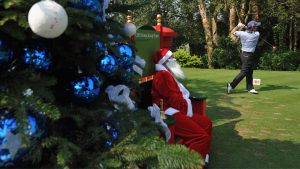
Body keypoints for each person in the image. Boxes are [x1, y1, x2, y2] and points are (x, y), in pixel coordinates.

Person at [150, 48, 212, 162]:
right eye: (171, 57)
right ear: (164, 61)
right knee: (201, 137)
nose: (174, 59)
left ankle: (202, 154)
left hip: (175, 108)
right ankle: (192, 162)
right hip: (167, 111)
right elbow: (173, 100)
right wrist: (186, 108)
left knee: (206, 123)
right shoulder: (163, 75)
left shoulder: (167, 73)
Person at [227, 20, 261, 94]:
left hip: (245, 54)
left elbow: (232, 32)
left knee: (249, 71)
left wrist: (238, 26)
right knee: (244, 72)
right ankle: (231, 85)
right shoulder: (256, 34)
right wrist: (244, 26)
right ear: (252, 27)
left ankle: (250, 88)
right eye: (255, 26)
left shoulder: (242, 34)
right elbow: (248, 29)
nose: (257, 27)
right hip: (247, 55)